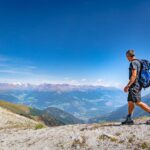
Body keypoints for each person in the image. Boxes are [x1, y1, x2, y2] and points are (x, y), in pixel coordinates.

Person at [122, 50, 150, 125]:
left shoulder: (133, 62)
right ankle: (129, 119)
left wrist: (128, 85)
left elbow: (134, 75)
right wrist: (128, 85)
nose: (126, 58)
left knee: (138, 102)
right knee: (130, 101)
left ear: (128, 55)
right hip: (137, 85)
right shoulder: (139, 62)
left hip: (135, 85)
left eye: (126, 56)